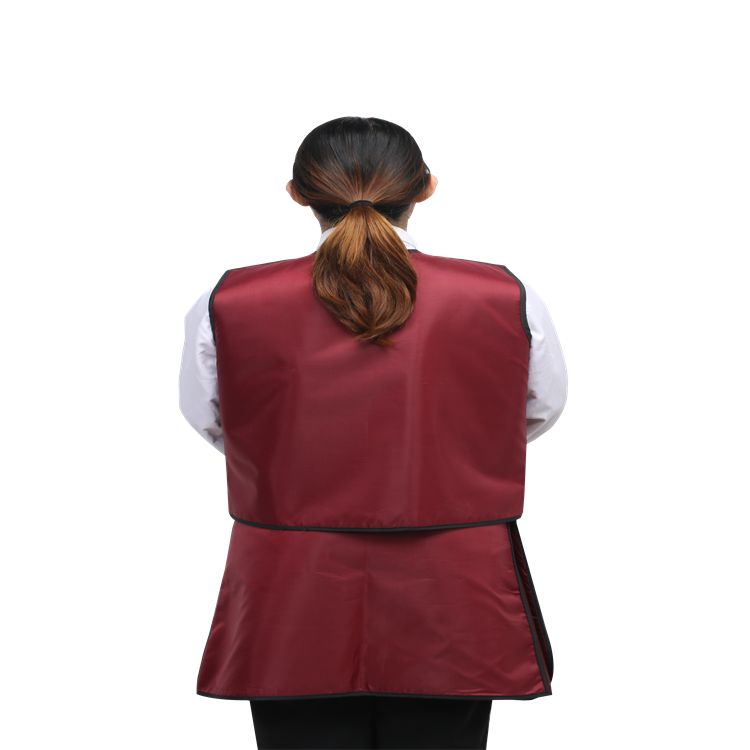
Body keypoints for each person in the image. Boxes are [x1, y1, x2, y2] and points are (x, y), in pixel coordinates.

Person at [179, 116, 567, 749]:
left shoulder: (228, 299)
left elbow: (213, 419)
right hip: (451, 577)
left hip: (292, 578)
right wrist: (454, 453)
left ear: (297, 193)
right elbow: (538, 410)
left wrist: (293, 457)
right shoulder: (506, 293)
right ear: (426, 188)